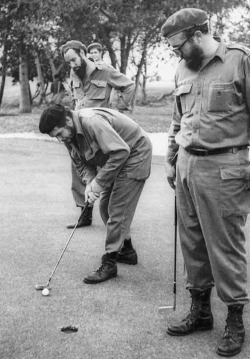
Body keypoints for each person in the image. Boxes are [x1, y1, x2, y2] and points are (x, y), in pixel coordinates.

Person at [161, 7, 250, 357]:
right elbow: (176, 119)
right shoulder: (183, 67)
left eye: (177, 45)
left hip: (225, 167)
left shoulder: (240, 61)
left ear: (198, 36)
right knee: (192, 242)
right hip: (186, 165)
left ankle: (235, 318)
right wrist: (171, 160)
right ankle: (200, 311)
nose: (175, 53)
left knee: (225, 247)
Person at [39, 104, 152, 284]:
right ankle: (127, 251)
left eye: (59, 134)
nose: (60, 139)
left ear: (68, 121)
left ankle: (110, 262)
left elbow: (121, 151)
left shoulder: (92, 122)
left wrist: (99, 183)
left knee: (117, 209)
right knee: (105, 207)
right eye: (56, 137)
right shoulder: (69, 138)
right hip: (117, 159)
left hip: (135, 155)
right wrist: (91, 182)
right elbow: (81, 164)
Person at [60, 40, 135, 249]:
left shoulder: (105, 71)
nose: (72, 65)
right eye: (68, 62)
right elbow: (77, 100)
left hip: (99, 131)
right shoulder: (74, 73)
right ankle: (84, 211)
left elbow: (128, 85)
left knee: (106, 174)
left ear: (84, 53)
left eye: (74, 59)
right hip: (80, 129)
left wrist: (118, 110)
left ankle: (113, 221)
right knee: (79, 169)